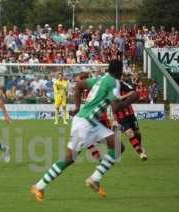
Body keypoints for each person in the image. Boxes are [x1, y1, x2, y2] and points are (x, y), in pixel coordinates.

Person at [31, 60, 136, 202]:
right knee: (69, 159)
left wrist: (77, 107)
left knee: (118, 146)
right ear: (120, 71)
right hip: (85, 124)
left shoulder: (101, 79)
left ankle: (95, 178)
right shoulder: (114, 83)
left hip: (91, 123)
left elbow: (79, 85)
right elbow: (116, 107)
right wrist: (131, 99)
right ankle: (39, 186)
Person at [113, 80, 147, 160]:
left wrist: (132, 94)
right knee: (129, 133)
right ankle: (140, 153)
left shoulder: (122, 84)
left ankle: (140, 146)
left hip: (130, 113)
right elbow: (115, 99)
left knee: (137, 133)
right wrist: (128, 95)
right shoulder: (109, 88)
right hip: (120, 117)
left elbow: (133, 92)